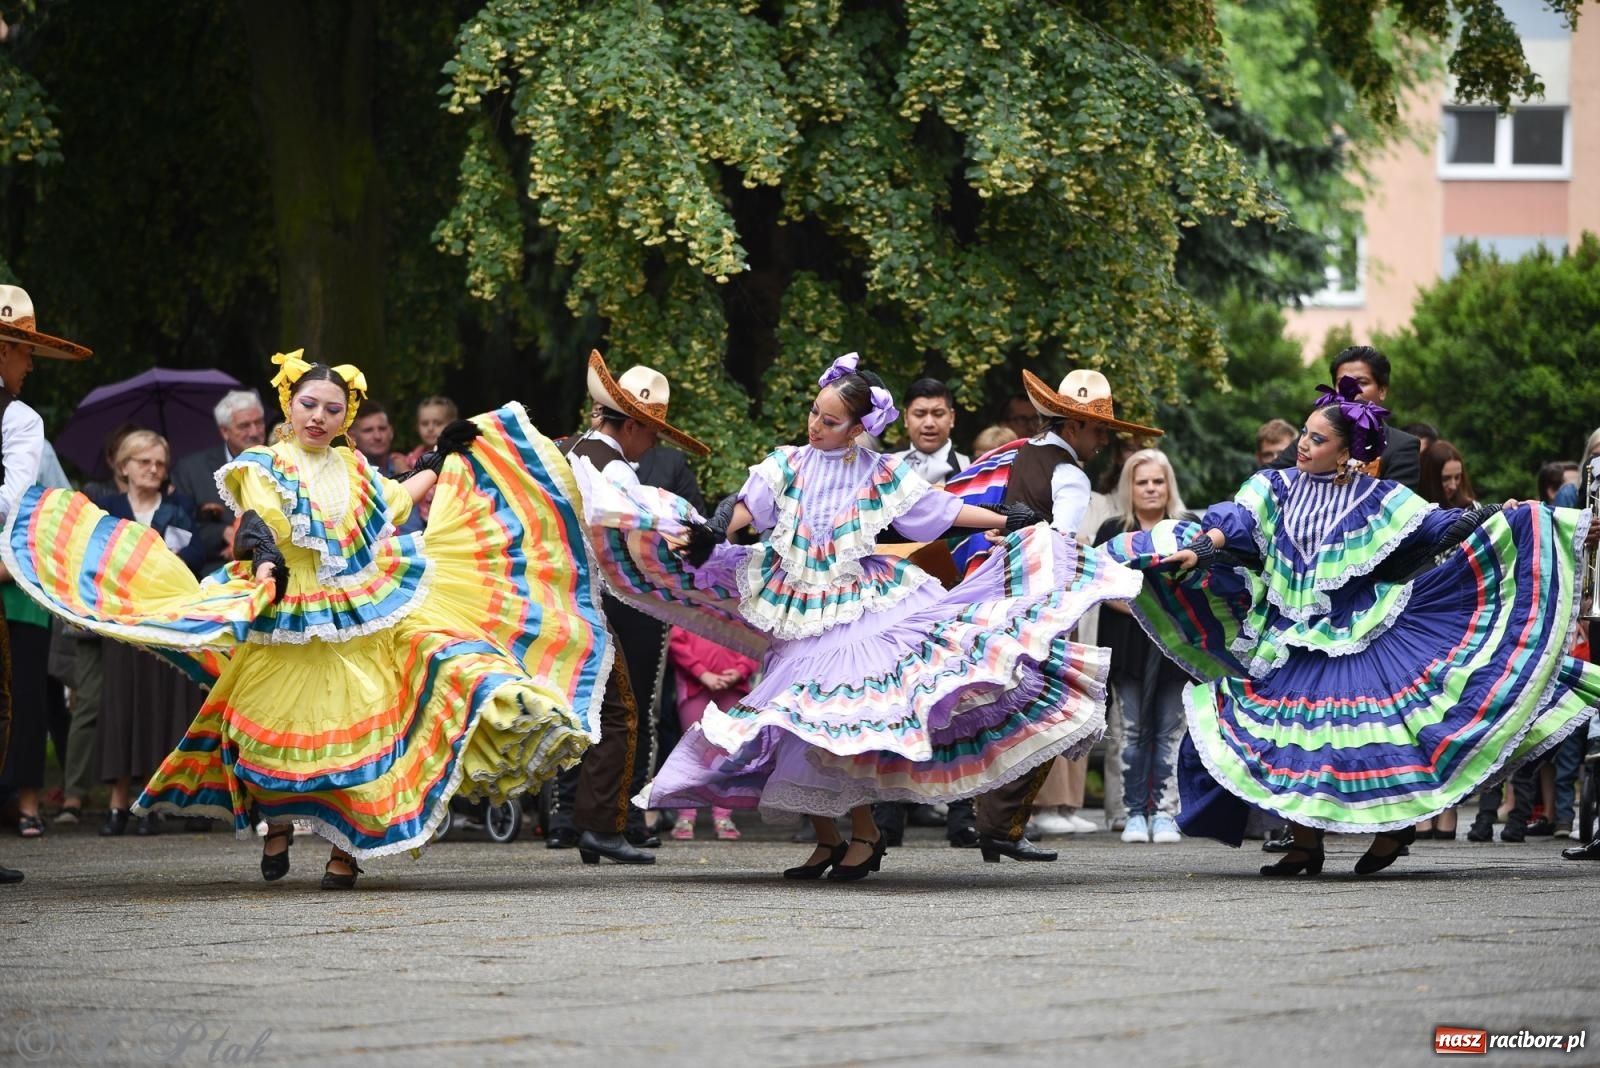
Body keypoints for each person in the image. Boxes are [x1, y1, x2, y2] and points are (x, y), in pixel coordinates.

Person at [2, 352, 609, 889]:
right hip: (288, 606)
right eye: (309, 404)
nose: (319, 416)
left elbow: (395, 499)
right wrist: (265, 559)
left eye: (332, 409)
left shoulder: (354, 469)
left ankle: (347, 853)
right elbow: (260, 518)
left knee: (364, 732)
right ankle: (277, 826)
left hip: (357, 612)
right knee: (266, 733)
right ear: (289, 407)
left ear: (346, 418)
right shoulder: (263, 463)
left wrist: (439, 458)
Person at [587, 352, 1142, 881]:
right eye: (814, 413)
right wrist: (713, 532)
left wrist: (1003, 518)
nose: (815, 426)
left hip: (859, 607)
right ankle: (831, 836)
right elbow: (747, 506)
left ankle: (863, 832)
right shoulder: (787, 463)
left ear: (856, 429)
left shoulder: (878, 472)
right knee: (795, 721)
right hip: (800, 607)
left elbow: (938, 511)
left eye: (830, 421)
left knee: (837, 721)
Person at [1106, 376, 1600, 876]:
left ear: (1345, 453)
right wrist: (1203, 548)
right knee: (1291, 738)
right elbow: (1237, 521)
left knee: (1375, 735)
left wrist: (1501, 513)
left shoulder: (1379, 499)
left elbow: (1437, 526)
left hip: (1358, 633)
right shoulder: (1274, 487)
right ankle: (1305, 843)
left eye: (1317, 439)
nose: (1304, 443)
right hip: (1289, 636)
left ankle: (1394, 829)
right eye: (1305, 432)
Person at [942, 368, 1165, 858]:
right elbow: (1056, 549)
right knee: (1050, 709)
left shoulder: (1017, 454)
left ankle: (995, 824)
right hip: (1038, 605)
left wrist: (1004, 538)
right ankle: (1000, 825)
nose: (1103, 441)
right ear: (1073, 425)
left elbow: (991, 512)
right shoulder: (1070, 476)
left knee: (1009, 705)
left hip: (999, 593)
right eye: (1098, 430)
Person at [553, 352, 715, 865]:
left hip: (565, 597)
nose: (654, 443)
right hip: (592, 601)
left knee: (599, 709)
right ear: (631, 426)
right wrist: (689, 528)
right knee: (621, 711)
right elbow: (628, 512)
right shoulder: (610, 465)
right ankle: (600, 826)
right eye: (652, 432)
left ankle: (588, 822)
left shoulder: (567, 449)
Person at [0, 284, 92, 883]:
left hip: (10, 584)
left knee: (17, 704)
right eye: (26, 351)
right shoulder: (19, 418)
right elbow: (9, 498)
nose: (31, 364)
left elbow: (23, 501)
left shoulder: (19, 418)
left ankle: (21, 806)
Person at [92, 430, 208, 837]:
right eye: (145, 462)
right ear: (124, 466)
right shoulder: (105, 509)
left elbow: (195, 555)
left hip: (166, 622)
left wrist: (165, 564)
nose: (154, 469)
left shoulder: (179, 507)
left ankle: (150, 803)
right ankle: (116, 803)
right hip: (121, 622)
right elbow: (95, 560)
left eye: (160, 463)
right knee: (121, 706)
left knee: (159, 709)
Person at [1092, 449, 1193, 845]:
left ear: (1169, 485)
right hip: (1127, 643)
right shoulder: (1112, 530)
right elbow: (1099, 586)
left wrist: (1164, 615)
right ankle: (1134, 812)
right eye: (1142, 482)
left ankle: (1165, 813)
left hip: (1176, 646)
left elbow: (1202, 588)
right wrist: (1147, 610)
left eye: (1157, 481)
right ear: (1129, 487)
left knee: (1170, 730)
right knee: (1130, 730)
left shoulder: (1187, 529)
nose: (1151, 488)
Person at [1270, 346, 1422, 488]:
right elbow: (1268, 479)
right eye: (1343, 383)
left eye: (1362, 382)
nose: (1351, 390)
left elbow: (1397, 503)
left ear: (1382, 391)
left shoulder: (1402, 446)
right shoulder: (1311, 437)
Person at [665, 625, 757, 840]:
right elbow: (676, 642)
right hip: (694, 686)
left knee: (730, 752)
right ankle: (686, 814)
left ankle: (723, 815)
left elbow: (755, 641)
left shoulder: (741, 611)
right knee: (692, 750)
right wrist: (701, 672)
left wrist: (741, 670)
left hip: (735, 686)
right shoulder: (688, 608)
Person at [170, 389, 267, 575]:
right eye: (244, 426)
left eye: (259, 422)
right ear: (224, 431)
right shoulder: (191, 470)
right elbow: (179, 529)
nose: (255, 432)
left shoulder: (282, 463)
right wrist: (223, 532)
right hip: (216, 573)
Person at [888, 378, 969, 484]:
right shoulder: (883, 466)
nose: (929, 423)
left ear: (951, 417)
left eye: (938, 414)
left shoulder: (974, 470)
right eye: (919, 414)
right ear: (906, 418)